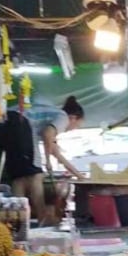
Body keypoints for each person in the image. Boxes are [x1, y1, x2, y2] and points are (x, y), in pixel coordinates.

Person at [39, 96, 85, 224]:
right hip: (17, 127)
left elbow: (58, 155)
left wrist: (79, 175)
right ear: (73, 118)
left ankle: (44, 219)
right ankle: (44, 219)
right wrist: (47, 161)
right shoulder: (62, 118)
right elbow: (47, 134)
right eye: (77, 125)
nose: (74, 128)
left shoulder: (53, 120)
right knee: (34, 177)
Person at [0, 108, 45, 222]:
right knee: (35, 203)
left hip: (16, 169)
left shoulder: (1, 122)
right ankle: (41, 222)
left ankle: (20, 225)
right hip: (29, 167)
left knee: (18, 209)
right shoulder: (23, 119)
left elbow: (1, 147)